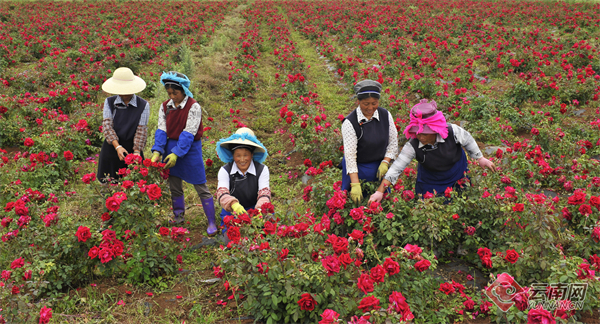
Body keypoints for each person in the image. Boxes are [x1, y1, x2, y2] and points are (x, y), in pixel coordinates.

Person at [369, 99, 496, 203]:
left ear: (435, 130)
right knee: (431, 205)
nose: (420, 137)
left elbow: (468, 140)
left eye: (425, 133)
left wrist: (480, 158)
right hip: (431, 179)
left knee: (462, 199)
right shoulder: (412, 145)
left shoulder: (452, 131)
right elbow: (396, 168)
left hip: (457, 172)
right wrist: (380, 191)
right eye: (417, 133)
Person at [150, 71, 217, 236]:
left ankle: (212, 221)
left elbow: (189, 133)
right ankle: (178, 217)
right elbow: (161, 129)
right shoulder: (165, 106)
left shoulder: (193, 106)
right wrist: (157, 151)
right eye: (169, 93)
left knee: (200, 185)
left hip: (190, 149)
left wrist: (177, 153)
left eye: (176, 93)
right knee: (175, 185)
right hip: (170, 148)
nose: (172, 96)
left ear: (184, 91)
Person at [341, 80, 398, 204]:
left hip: (379, 167)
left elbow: (393, 142)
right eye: (366, 104)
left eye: (374, 103)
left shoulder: (385, 115)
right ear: (358, 101)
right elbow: (350, 156)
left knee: (381, 201)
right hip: (358, 168)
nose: (370, 108)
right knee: (356, 204)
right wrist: (355, 184)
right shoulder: (350, 123)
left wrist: (385, 162)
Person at [97, 67, 149, 183]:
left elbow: (141, 130)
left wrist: (136, 152)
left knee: (132, 184)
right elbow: (107, 126)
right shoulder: (110, 102)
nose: (124, 93)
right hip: (112, 147)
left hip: (132, 148)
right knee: (109, 184)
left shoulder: (143, 105)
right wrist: (118, 147)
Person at [215, 128, 270, 229]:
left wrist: (259, 210)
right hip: (232, 210)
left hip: (255, 209)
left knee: (263, 233)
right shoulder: (225, 170)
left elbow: (264, 193)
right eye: (238, 155)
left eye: (246, 155)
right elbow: (221, 193)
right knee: (232, 239)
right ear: (233, 156)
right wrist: (234, 204)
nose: (242, 159)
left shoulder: (262, 169)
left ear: (252, 155)